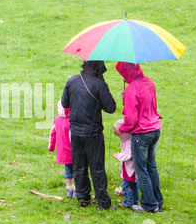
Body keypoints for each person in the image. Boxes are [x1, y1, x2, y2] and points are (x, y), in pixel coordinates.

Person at [61, 61, 116, 209]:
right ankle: (103, 203)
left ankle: (83, 198)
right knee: (97, 168)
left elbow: (65, 103)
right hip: (93, 133)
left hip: (76, 132)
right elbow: (111, 108)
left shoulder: (72, 81)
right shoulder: (99, 84)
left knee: (79, 167)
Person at [115, 62, 163, 213]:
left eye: (123, 73)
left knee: (141, 170)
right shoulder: (148, 82)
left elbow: (130, 119)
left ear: (127, 72)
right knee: (151, 167)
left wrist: (122, 129)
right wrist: (126, 99)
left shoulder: (131, 88)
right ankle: (158, 202)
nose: (123, 77)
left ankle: (149, 205)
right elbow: (148, 105)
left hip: (141, 134)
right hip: (154, 128)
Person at [48, 100, 77, 199]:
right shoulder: (74, 120)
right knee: (78, 171)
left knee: (68, 171)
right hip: (75, 152)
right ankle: (78, 190)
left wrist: (51, 147)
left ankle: (69, 190)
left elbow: (53, 133)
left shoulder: (57, 119)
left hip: (64, 153)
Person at [113, 119, 139, 208]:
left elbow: (128, 155)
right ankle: (135, 200)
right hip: (130, 168)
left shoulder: (128, 142)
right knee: (133, 185)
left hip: (130, 169)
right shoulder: (127, 140)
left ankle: (128, 201)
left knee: (125, 184)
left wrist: (118, 156)